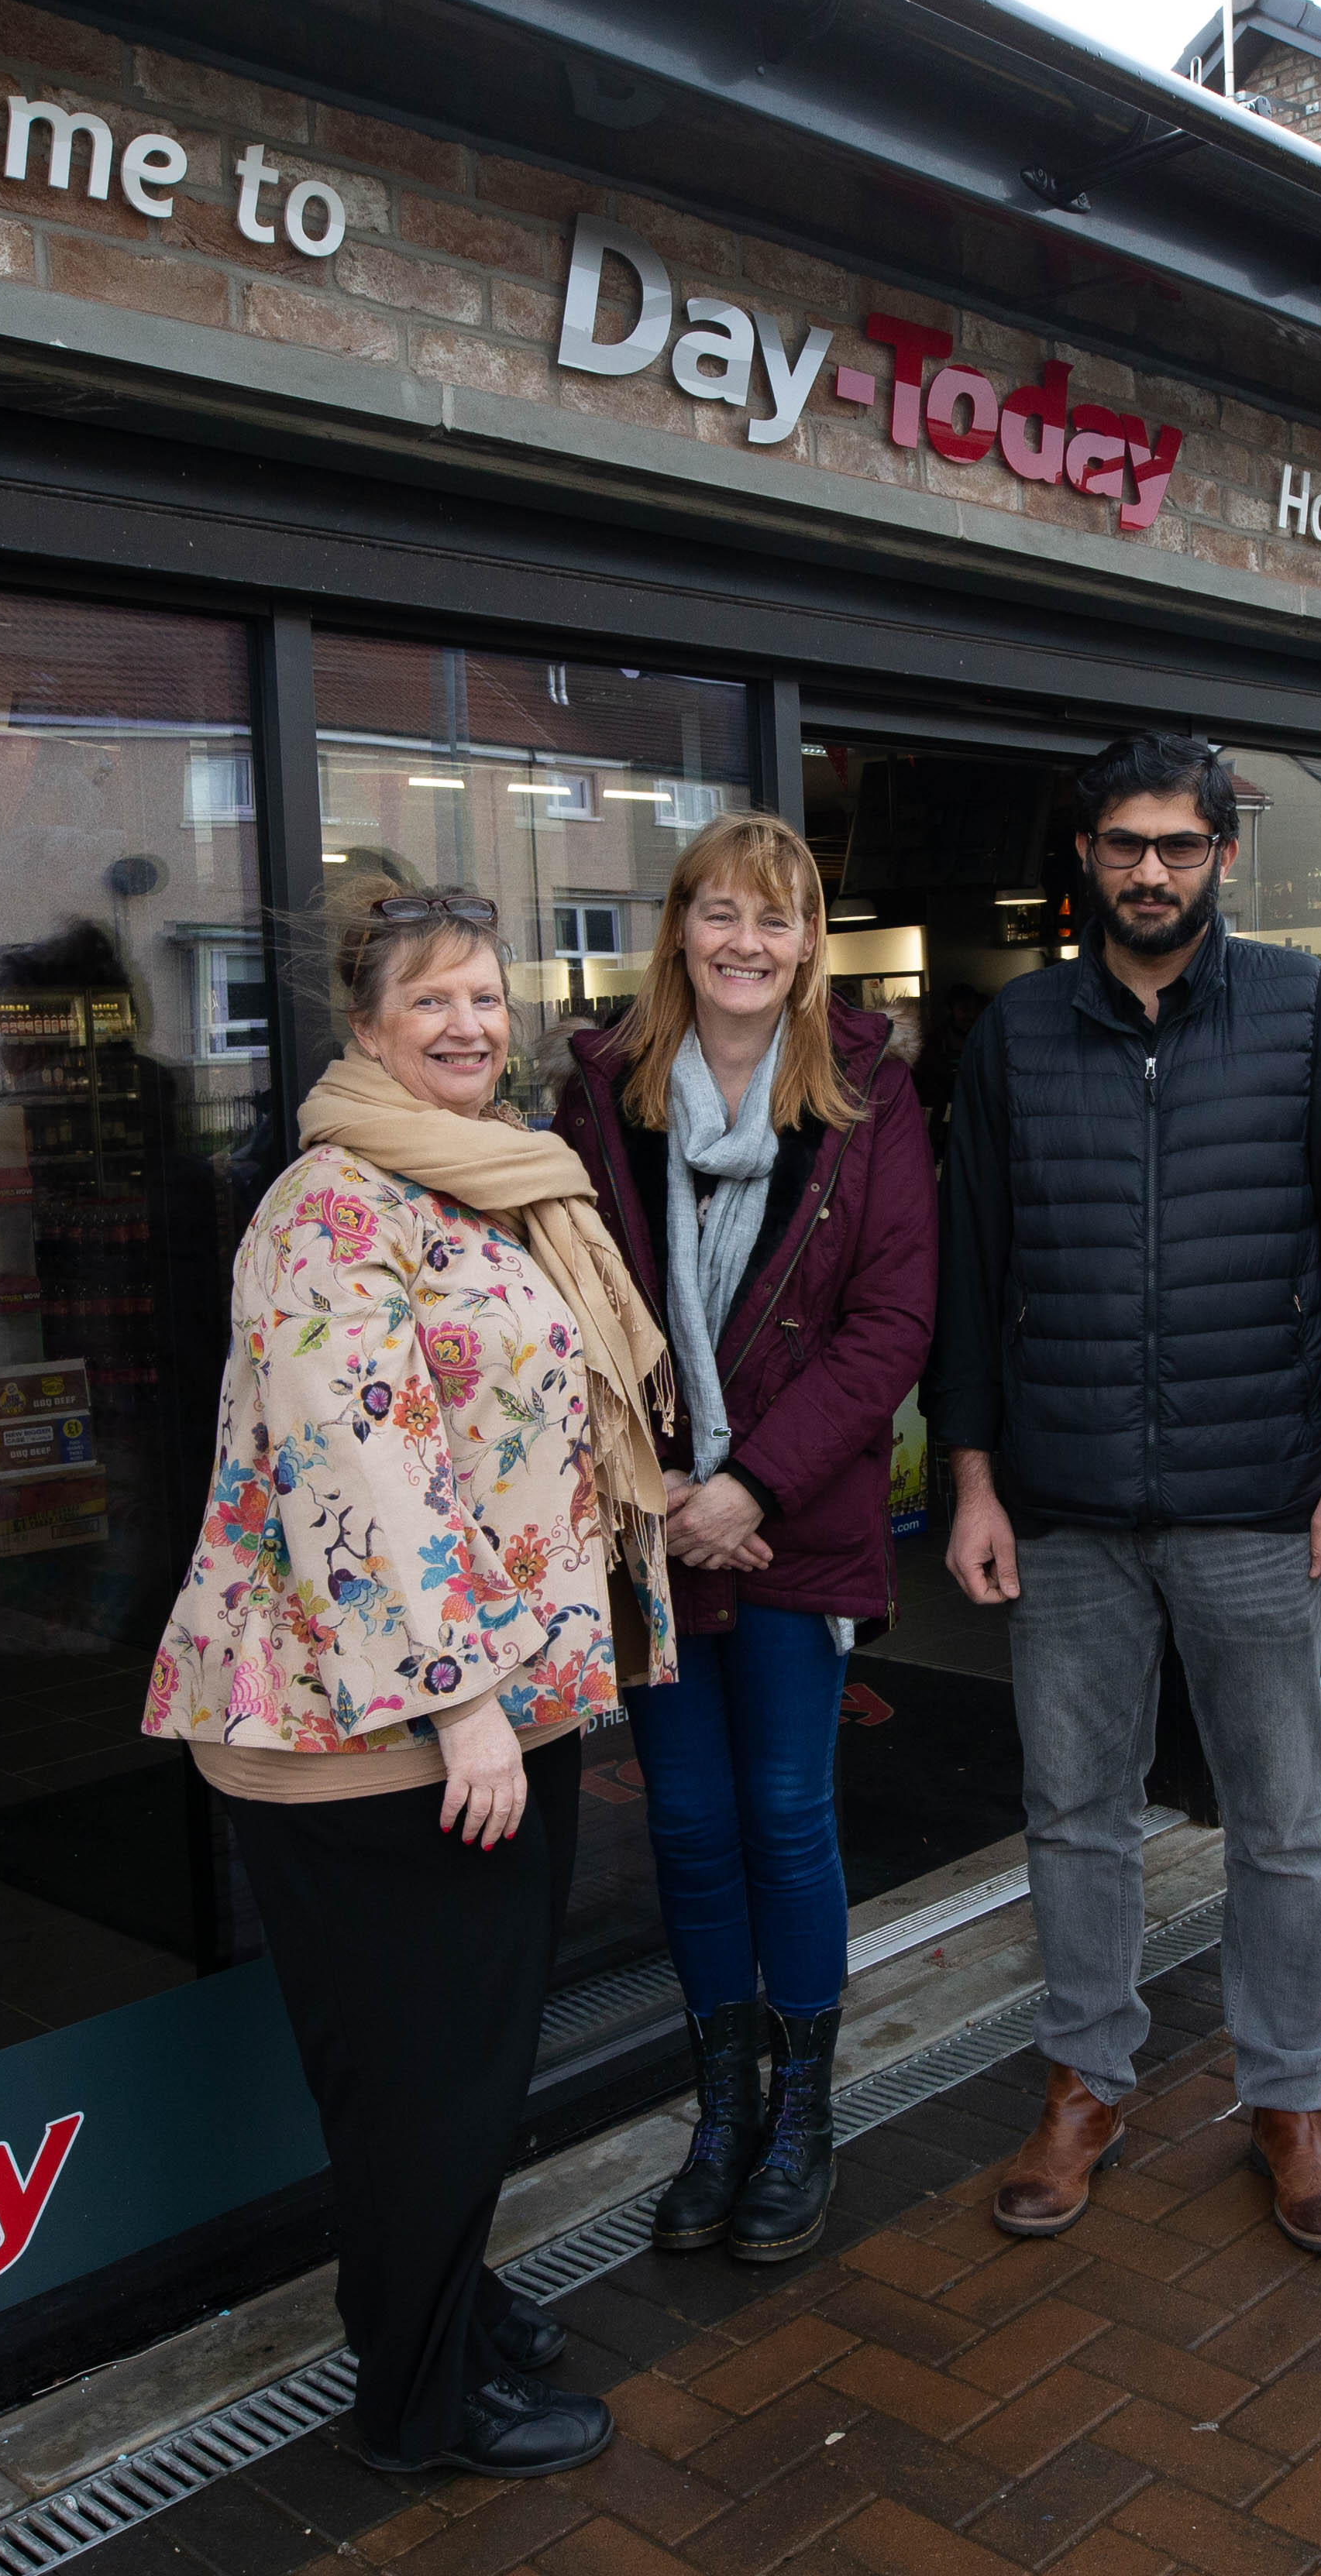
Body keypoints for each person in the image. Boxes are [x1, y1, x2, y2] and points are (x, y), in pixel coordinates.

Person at [144, 879, 674, 2478]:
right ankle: (420, 2403)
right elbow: (361, 1470)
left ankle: (439, 2302)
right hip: (389, 1736)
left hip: (491, 1705)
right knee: (426, 2081)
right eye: (430, 1000)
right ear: (365, 1027)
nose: (468, 1024)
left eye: (486, 996)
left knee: (449, 2066)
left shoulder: (484, 1178)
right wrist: (466, 1706)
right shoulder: (333, 1204)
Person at [927, 731, 1321, 2255]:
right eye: (1124, 845)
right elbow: (969, 1275)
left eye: (1177, 847)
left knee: (1281, 1817)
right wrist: (975, 1482)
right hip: (1063, 1504)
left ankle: (1291, 2096)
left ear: (1222, 856)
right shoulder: (1018, 1035)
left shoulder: (1301, 1012)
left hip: (1252, 1492)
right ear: (1087, 858)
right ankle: (1085, 2081)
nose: (1150, 871)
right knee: (1073, 1813)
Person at [552, 813, 934, 2268]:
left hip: (791, 1524)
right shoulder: (605, 1091)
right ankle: (723, 2111)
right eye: (719, 913)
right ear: (678, 929)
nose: (745, 944)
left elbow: (893, 1320)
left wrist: (750, 1489)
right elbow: (571, 1300)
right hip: (650, 1526)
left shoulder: (865, 1094)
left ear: (808, 939)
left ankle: (805, 2117)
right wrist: (655, 1487)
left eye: (774, 920)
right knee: (690, 1827)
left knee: (784, 1813)